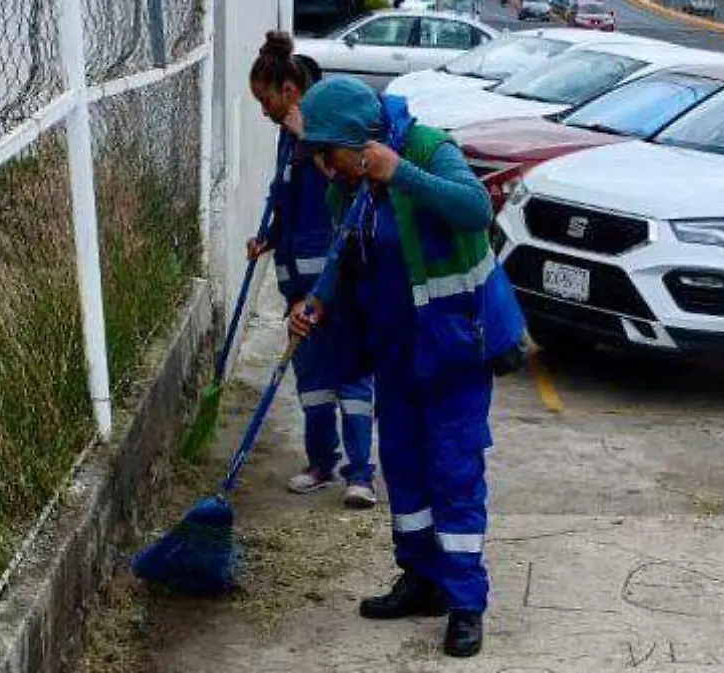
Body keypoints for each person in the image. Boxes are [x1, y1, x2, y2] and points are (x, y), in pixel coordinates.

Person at [289, 75, 526, 658]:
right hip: (395, 350)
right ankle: (420, 580)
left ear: (361, 141)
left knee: (453, 471)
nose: (323, 165)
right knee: (404, 467)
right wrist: (317, 300)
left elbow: (473, 208)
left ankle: (465, 602)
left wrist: (401, 173)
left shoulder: (425, 149)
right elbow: (346, 254)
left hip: (453, 346)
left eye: (327, 152)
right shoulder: (345, 188)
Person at [247, 33, 378, 509]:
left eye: (266, 100)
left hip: (334, 284)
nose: (264, 111)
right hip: (297, 287)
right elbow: (286, 199)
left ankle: (360, 473)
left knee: (351, 377)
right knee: (313, 380)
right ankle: (321, 462)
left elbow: (344, 202)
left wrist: (322, 291)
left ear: (288, 90)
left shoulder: (325, 135)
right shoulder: (288, 139)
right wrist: (271, 236)